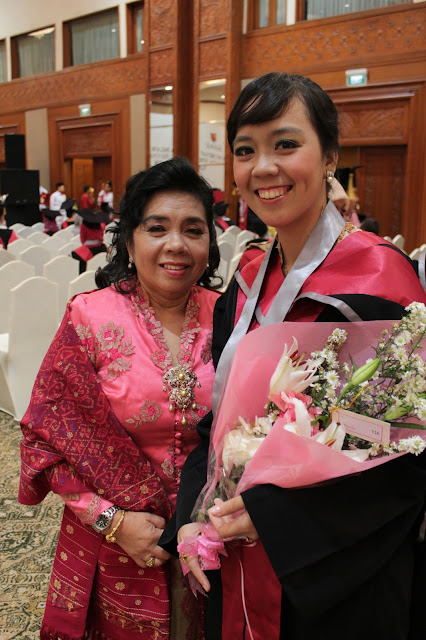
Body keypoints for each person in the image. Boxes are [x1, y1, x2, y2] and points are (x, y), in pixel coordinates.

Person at [161, 73, 426, 640]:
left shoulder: (381, 284)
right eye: (245, 150)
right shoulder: (245, 283)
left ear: (330, 156)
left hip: (335, 576)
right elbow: (219, 420)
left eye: (285, 144)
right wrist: (191, 516)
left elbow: (402, 451)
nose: (263, 168)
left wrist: (275, 519)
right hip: (236, 553)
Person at [18, 156, 221, 640]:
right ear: (129, 240)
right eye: (157, 228)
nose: (177, 244)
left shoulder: (230, 315)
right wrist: (112, 521)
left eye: (193, 230)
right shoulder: (89, 319)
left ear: (209, 243)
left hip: (211, 543)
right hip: (116, 546)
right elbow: (44, 443)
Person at [71, 208, 110, 273]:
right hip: (101, 248)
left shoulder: (77, 255)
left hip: (86, 251)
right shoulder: (108, 252)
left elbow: (82, 238)